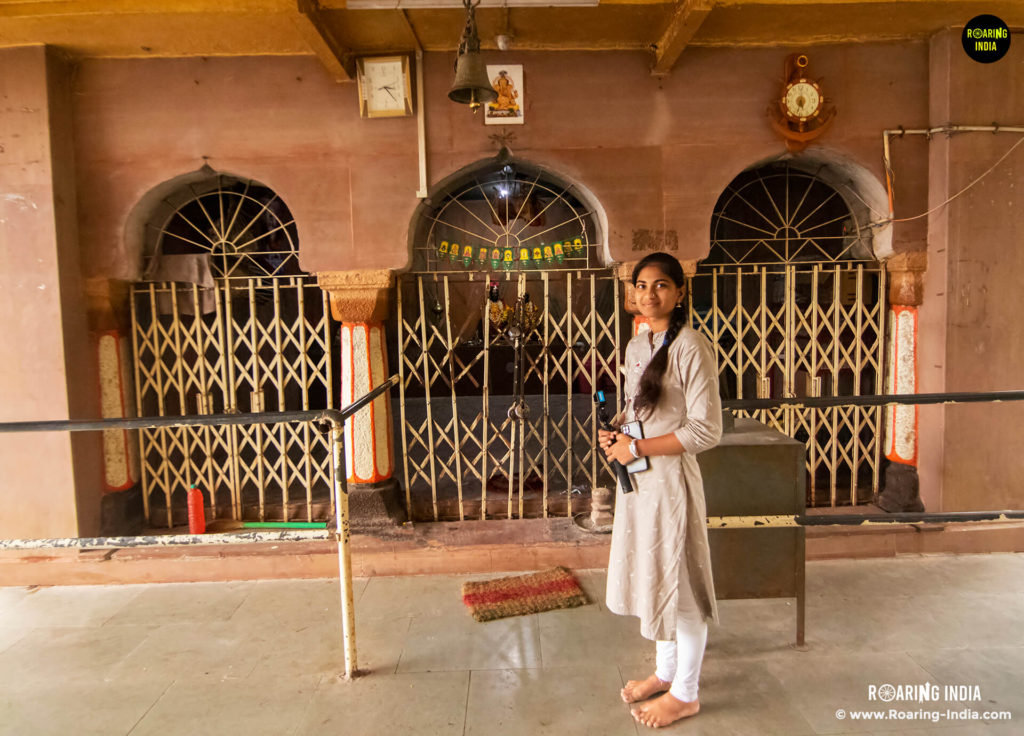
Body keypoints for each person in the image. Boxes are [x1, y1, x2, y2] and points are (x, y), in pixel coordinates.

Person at [598, 251, 722, 729]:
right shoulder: (637, 345)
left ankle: (686, 693)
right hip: (641, 482)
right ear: (632, 292)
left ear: (680, 292)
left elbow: (705, 431)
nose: (650, 294)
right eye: (642, 285)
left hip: (670, 482)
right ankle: (667, 672)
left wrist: (639, 446)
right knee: (655, 576)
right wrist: (618, 430)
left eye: (662, 285)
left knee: (681, 586)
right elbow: (637, 408)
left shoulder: (691, 346)